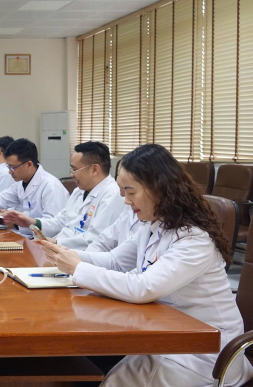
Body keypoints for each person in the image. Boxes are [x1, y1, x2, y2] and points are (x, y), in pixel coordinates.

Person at [39, 144, 253, 387]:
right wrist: (67, 256)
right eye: (122, 192)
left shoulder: (193, 239)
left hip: (203, 354)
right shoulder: (153, 225)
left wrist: (77, 268)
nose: (125, 201)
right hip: (164, 333)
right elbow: (116, 261)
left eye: (130, 191)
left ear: (158, 188)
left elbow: (143, 288)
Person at [2, 141, 124, 250]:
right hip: (60, 250)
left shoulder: (112, 196)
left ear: (95, 169)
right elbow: (60, 221)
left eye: (75, 169)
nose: (71, 174)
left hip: (80, 257)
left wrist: (57, 243)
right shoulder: (79, 191)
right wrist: (31, 222)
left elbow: (95, 239)